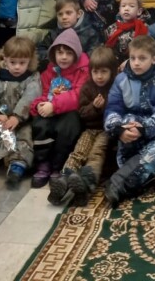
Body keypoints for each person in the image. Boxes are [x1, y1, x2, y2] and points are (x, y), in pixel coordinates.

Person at [103, 34, 155, 206]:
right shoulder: (121, 80)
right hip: (129, 124)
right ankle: (127, 181)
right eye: (132, 58)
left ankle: (118, 183)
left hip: (153, 127)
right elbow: (113, 108)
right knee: (127, 121)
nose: (136, 63)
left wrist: (144, 128)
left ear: (154, 59)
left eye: (142, 58)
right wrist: (119, 129)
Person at [48, 45, 117, 207]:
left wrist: (103, 107)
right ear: (90, 71)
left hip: (107, 130)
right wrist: (94, 107)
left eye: (104, 72)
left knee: (96, 153)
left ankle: (86, 182)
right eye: (95, 72)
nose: (99, 76)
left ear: (112, 72)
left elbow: (118, 110)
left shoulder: (116, 87)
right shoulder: (87, 87)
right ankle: (65, 179)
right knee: (79, 151)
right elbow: (82, 112)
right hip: (90, 129)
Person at [0, 35, 40, 186]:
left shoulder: (32, 79)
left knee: (24, 139)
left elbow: (30, 97)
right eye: (13, 62)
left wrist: (17, 117)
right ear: (4, 59)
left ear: (29, 61)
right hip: (2, 120)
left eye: (22, 63)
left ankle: (17, 167)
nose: (17, 67)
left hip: (24, 122)